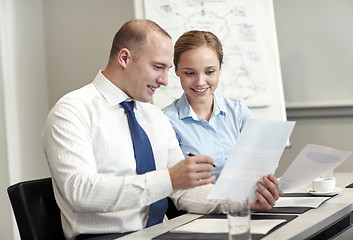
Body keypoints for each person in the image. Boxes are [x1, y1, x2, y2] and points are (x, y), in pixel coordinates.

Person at [42, 20, 280, 240]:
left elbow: (184, 193)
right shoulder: (72, 111)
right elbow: (80, 192)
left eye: (168, 69)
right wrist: (168, 179)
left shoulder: (153, 117)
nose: (165, 81)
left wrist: (239, 202)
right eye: (158, 67)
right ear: (125, 58)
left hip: (161, 232)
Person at [163, 30, 282, 191]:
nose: (200, 82)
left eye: (209, 72)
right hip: (198, 210)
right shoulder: (166, 121)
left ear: (220, 68)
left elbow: (261, 164)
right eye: (190, 73)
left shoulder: (238, 112)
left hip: (246, 203)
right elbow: (180, 189)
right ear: (176, 70)